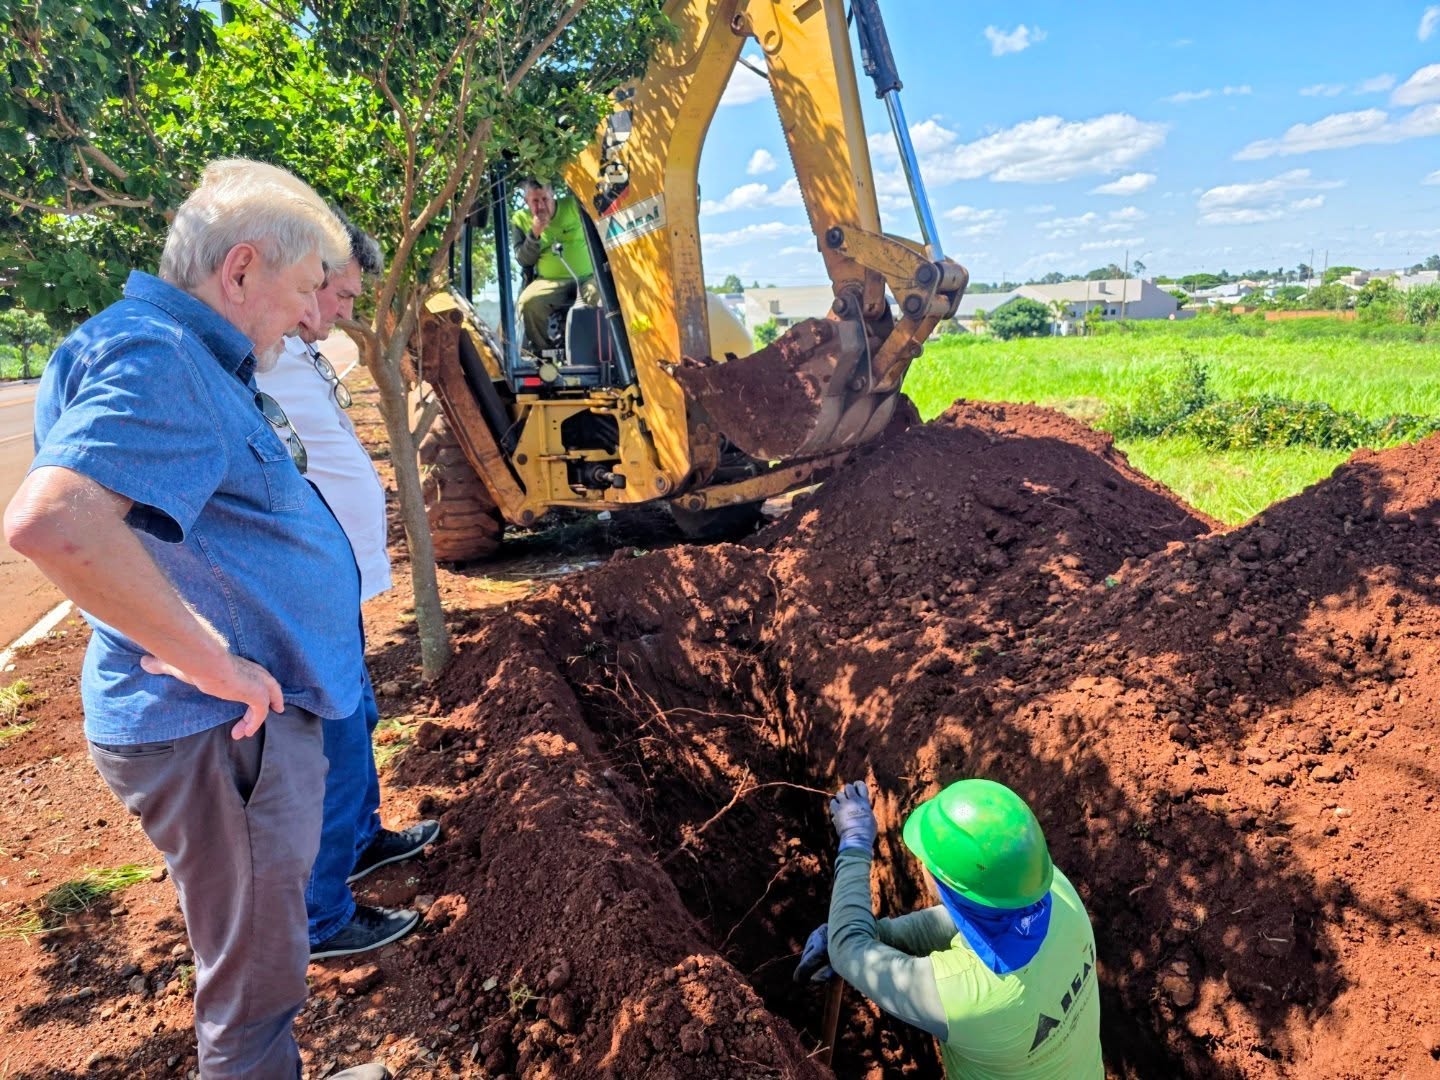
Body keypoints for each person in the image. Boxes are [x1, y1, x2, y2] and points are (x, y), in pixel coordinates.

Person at [4, 159, 388, 1080]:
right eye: (305, 291)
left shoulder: (154, 345)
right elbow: (54, 521)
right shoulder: (164, 358)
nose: (312, 315)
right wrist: (214, 660)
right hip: (224, 737)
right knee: (253, 988)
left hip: (225, 737)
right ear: (242, 269)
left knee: (254, 955)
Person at [255, 209, 439, 961]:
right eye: (340, 296)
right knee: (328, 744)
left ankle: (363, 841)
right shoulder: (258, 356)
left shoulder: (300, 353)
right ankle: (322, 917)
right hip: (309, 595)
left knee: (356, 722)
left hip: (341, 587)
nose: (343, 314)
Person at [795, 779, 1103, 1079]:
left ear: (947, 885)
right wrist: (880, 935)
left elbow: (848, 945)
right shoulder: (1054, 891)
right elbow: (962, 924)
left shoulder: (967, 998)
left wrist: (854, 842)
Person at [510, 179, 601, 352]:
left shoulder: (575, 206)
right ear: (526, 202)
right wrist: (534, 235)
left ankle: (595, 352)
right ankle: (546, 353)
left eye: (545, 199)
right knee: (528, 302)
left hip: (587, 277)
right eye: (535, 201)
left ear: (553, 195)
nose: (541, 206)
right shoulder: (520, 219)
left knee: (598, 296)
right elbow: (524, 260)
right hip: (549, 282)